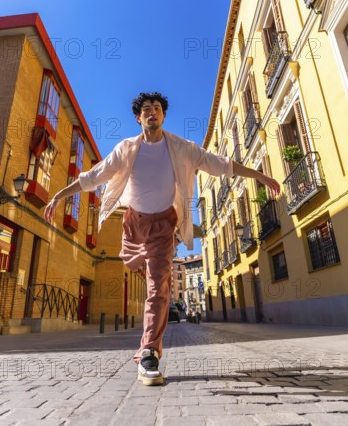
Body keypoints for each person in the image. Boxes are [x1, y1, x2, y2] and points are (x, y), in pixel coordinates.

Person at [44, 92, 280, 386]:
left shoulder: (182, 147)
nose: (152, 112)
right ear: (138, 117)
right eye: (146, 109)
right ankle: (143, 270)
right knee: (133, 265)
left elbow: (221, 164)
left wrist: (258, 175)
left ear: (163, 115)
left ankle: (149, 354)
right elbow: (93, 176)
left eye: (157, 108)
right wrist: (58, 194)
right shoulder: (126, 149)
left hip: (162, 227)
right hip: (132, 224)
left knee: (158, 289)